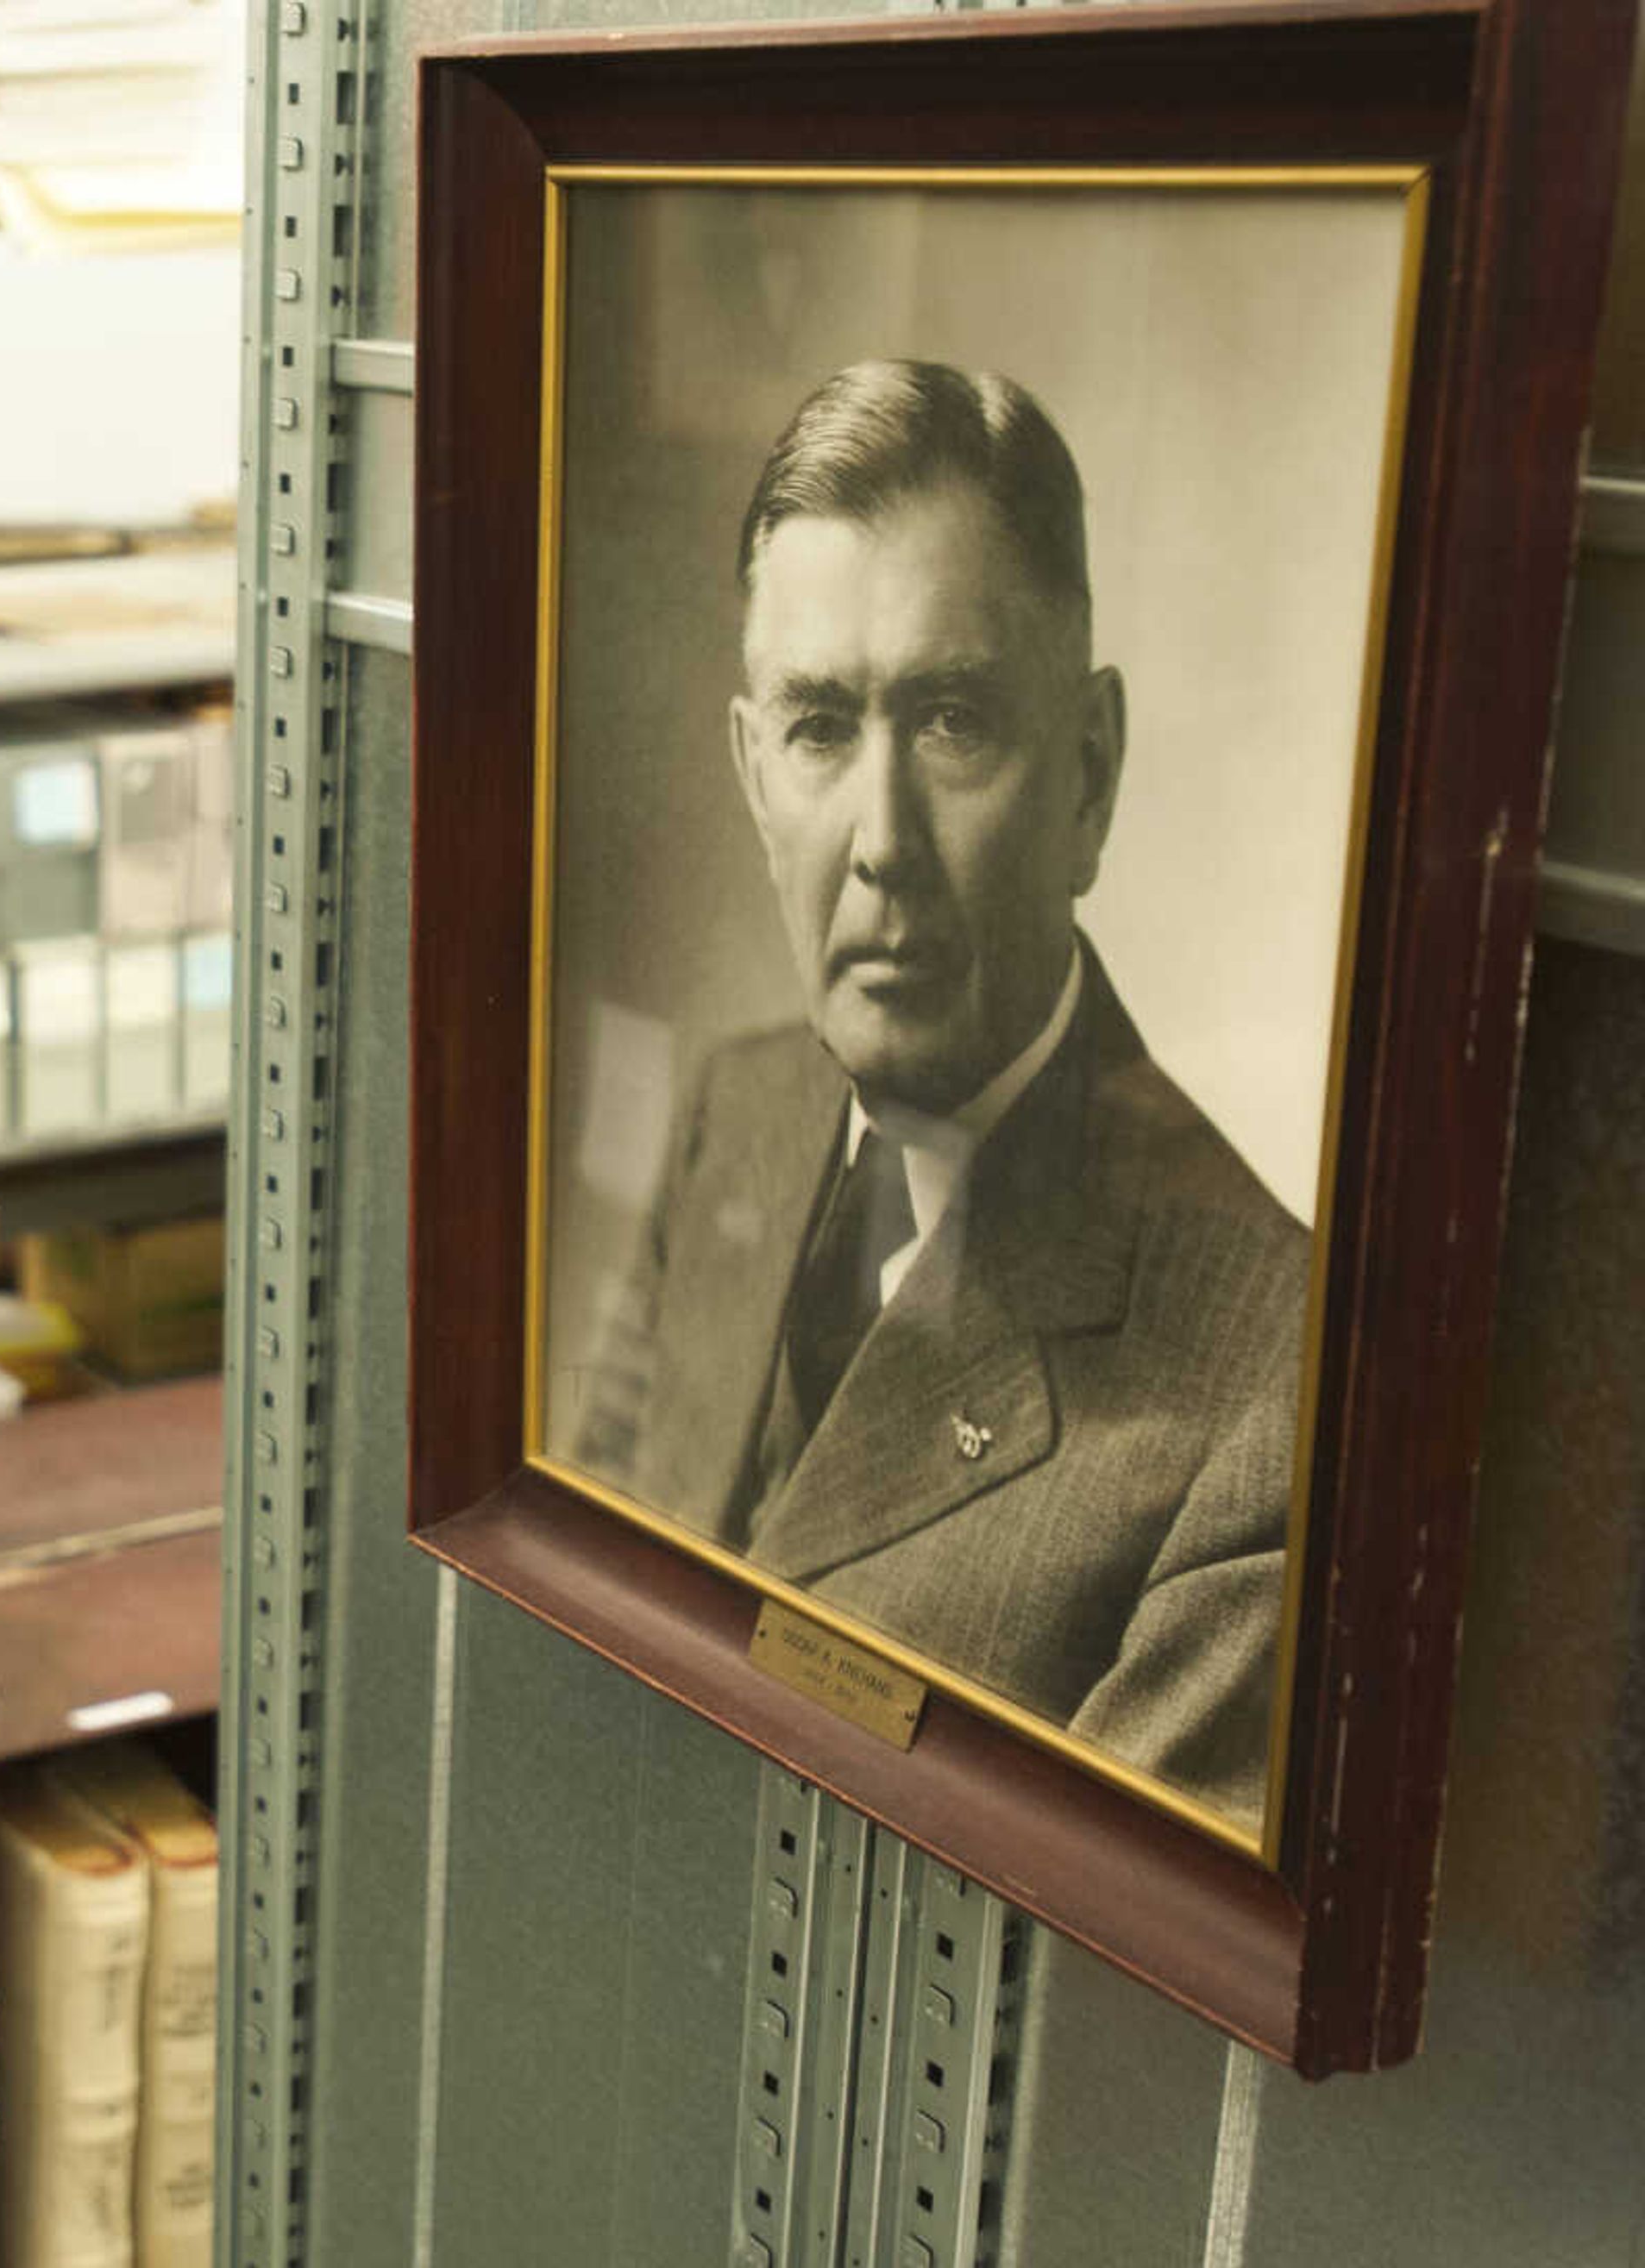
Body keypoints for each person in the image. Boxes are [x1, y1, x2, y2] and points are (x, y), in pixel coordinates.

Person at [568, 360, 1308, 1824]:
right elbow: (574, 1659)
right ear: (749, 767)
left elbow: (1070, 2015)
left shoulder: (1272, 1391)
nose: (881, 841)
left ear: (1088, 775)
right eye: (821, 727)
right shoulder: (741, 1115)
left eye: (955, 721)